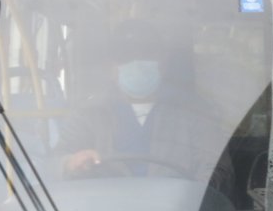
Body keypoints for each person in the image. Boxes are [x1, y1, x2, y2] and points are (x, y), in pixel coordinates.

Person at [56, 19, 233, 196]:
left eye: (146, 54)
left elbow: (216, 170)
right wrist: (70, 163)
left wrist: (191, 201)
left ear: (162, 61)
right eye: (126, 56)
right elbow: (52, 165)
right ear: (111, 66)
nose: (137, 63)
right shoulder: (88, 114)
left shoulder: (196, 113)